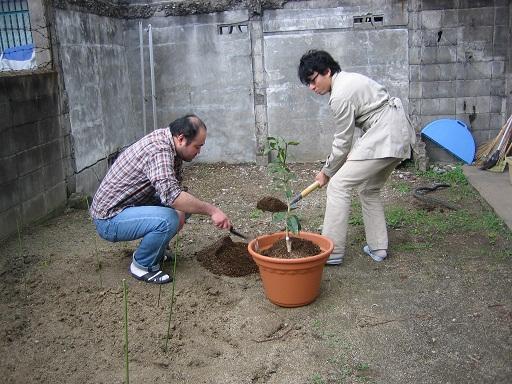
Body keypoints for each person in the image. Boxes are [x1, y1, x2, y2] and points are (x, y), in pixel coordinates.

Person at [298, 50, 415, 265]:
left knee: (338, 185)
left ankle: (331, 253)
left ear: (327, 71)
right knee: (368, 189)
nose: (312, 88)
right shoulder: (348, 81)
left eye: (313, 80)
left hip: (385, 135)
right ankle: (378, 248)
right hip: (396, 133)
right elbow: (370, 115)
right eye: (308, 84)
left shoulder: (340, 95)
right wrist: (360, 147)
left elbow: (342, 142)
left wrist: (326, 172)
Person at [90, 114, 231, 284]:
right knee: (168, 219)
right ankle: (143, 265)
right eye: (197, 146)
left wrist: (181, 209)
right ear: (181, 138)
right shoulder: (159, 150)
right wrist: (212, 210)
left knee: (184, 209)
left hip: (131, 204)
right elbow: (173, 197)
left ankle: (156, 251)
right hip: (109, 219)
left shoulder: (172, 147)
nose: (199, 152)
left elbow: (175, 191)